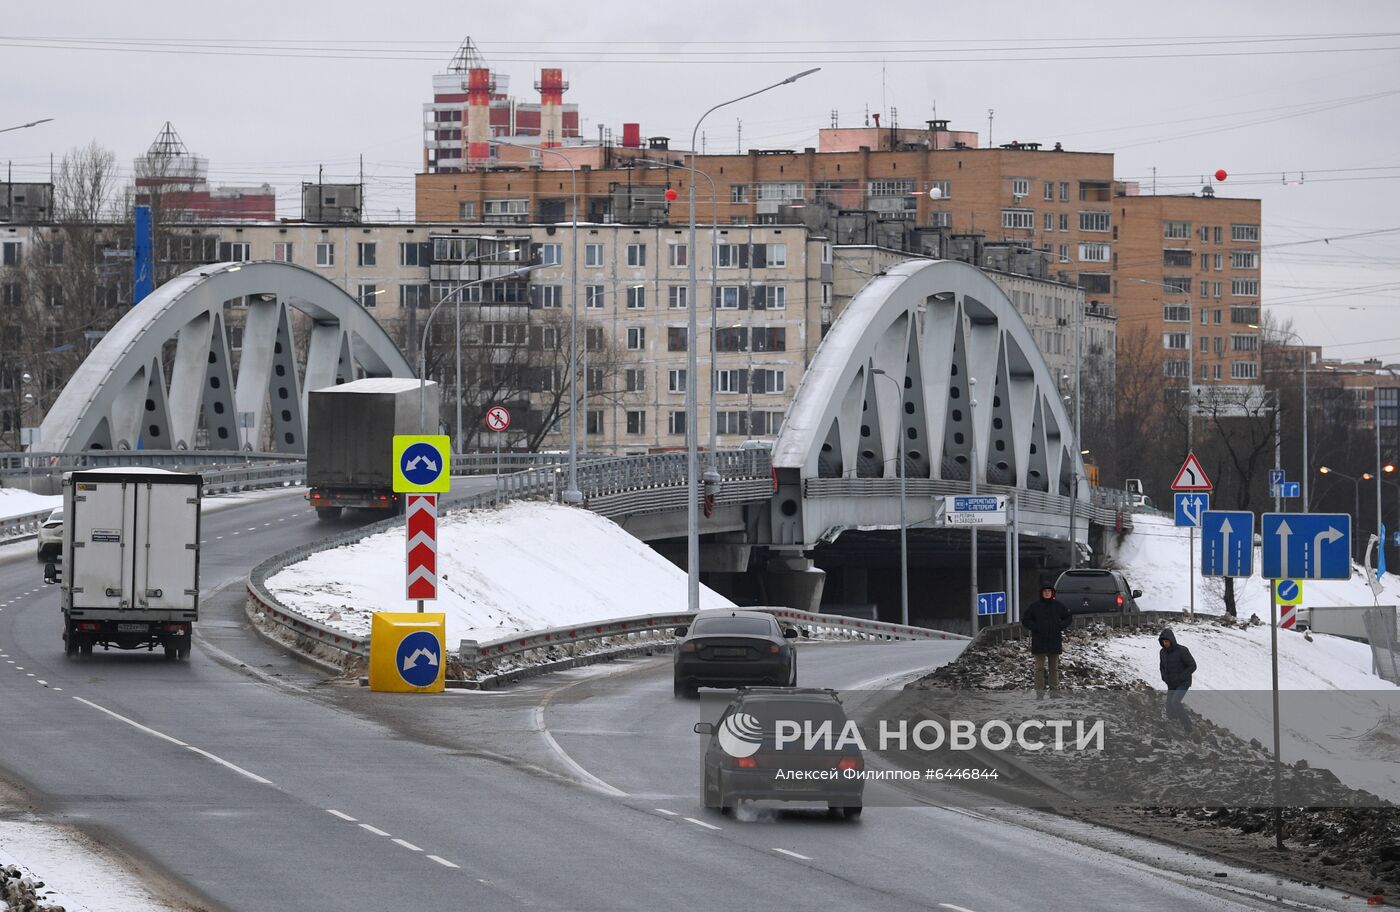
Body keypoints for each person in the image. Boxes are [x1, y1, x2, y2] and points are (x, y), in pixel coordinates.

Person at [1022, 585, 1072, 695]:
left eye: (1049, 591)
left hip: (1054, 640)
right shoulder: (1035, 606)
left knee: (1053, 668)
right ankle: (1039, 690)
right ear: (1041, 593)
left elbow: (1068, 617)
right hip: (1039, 640)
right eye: (1045, 591)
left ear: (1052, 593)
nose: (1047, 593)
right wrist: (1036, 627)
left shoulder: (1058, 606)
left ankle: (1054, 690)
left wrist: (1060, 625)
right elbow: (1025, 620)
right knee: (1039, 668)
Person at [1159, 628, 1197, 730]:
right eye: (1163, 641)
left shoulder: (1182, 650)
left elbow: (1192, 665)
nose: (1165, 643)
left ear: (1172, 640)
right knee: (1169, 708)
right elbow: (1162, 666)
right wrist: (1164, 677)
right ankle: (1174, 724)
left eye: (1167, 641)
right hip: (1171, 684)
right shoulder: (1162, 652)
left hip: (1183, 683)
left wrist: (1181, 677)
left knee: (1175, 701)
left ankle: (1188, 726)